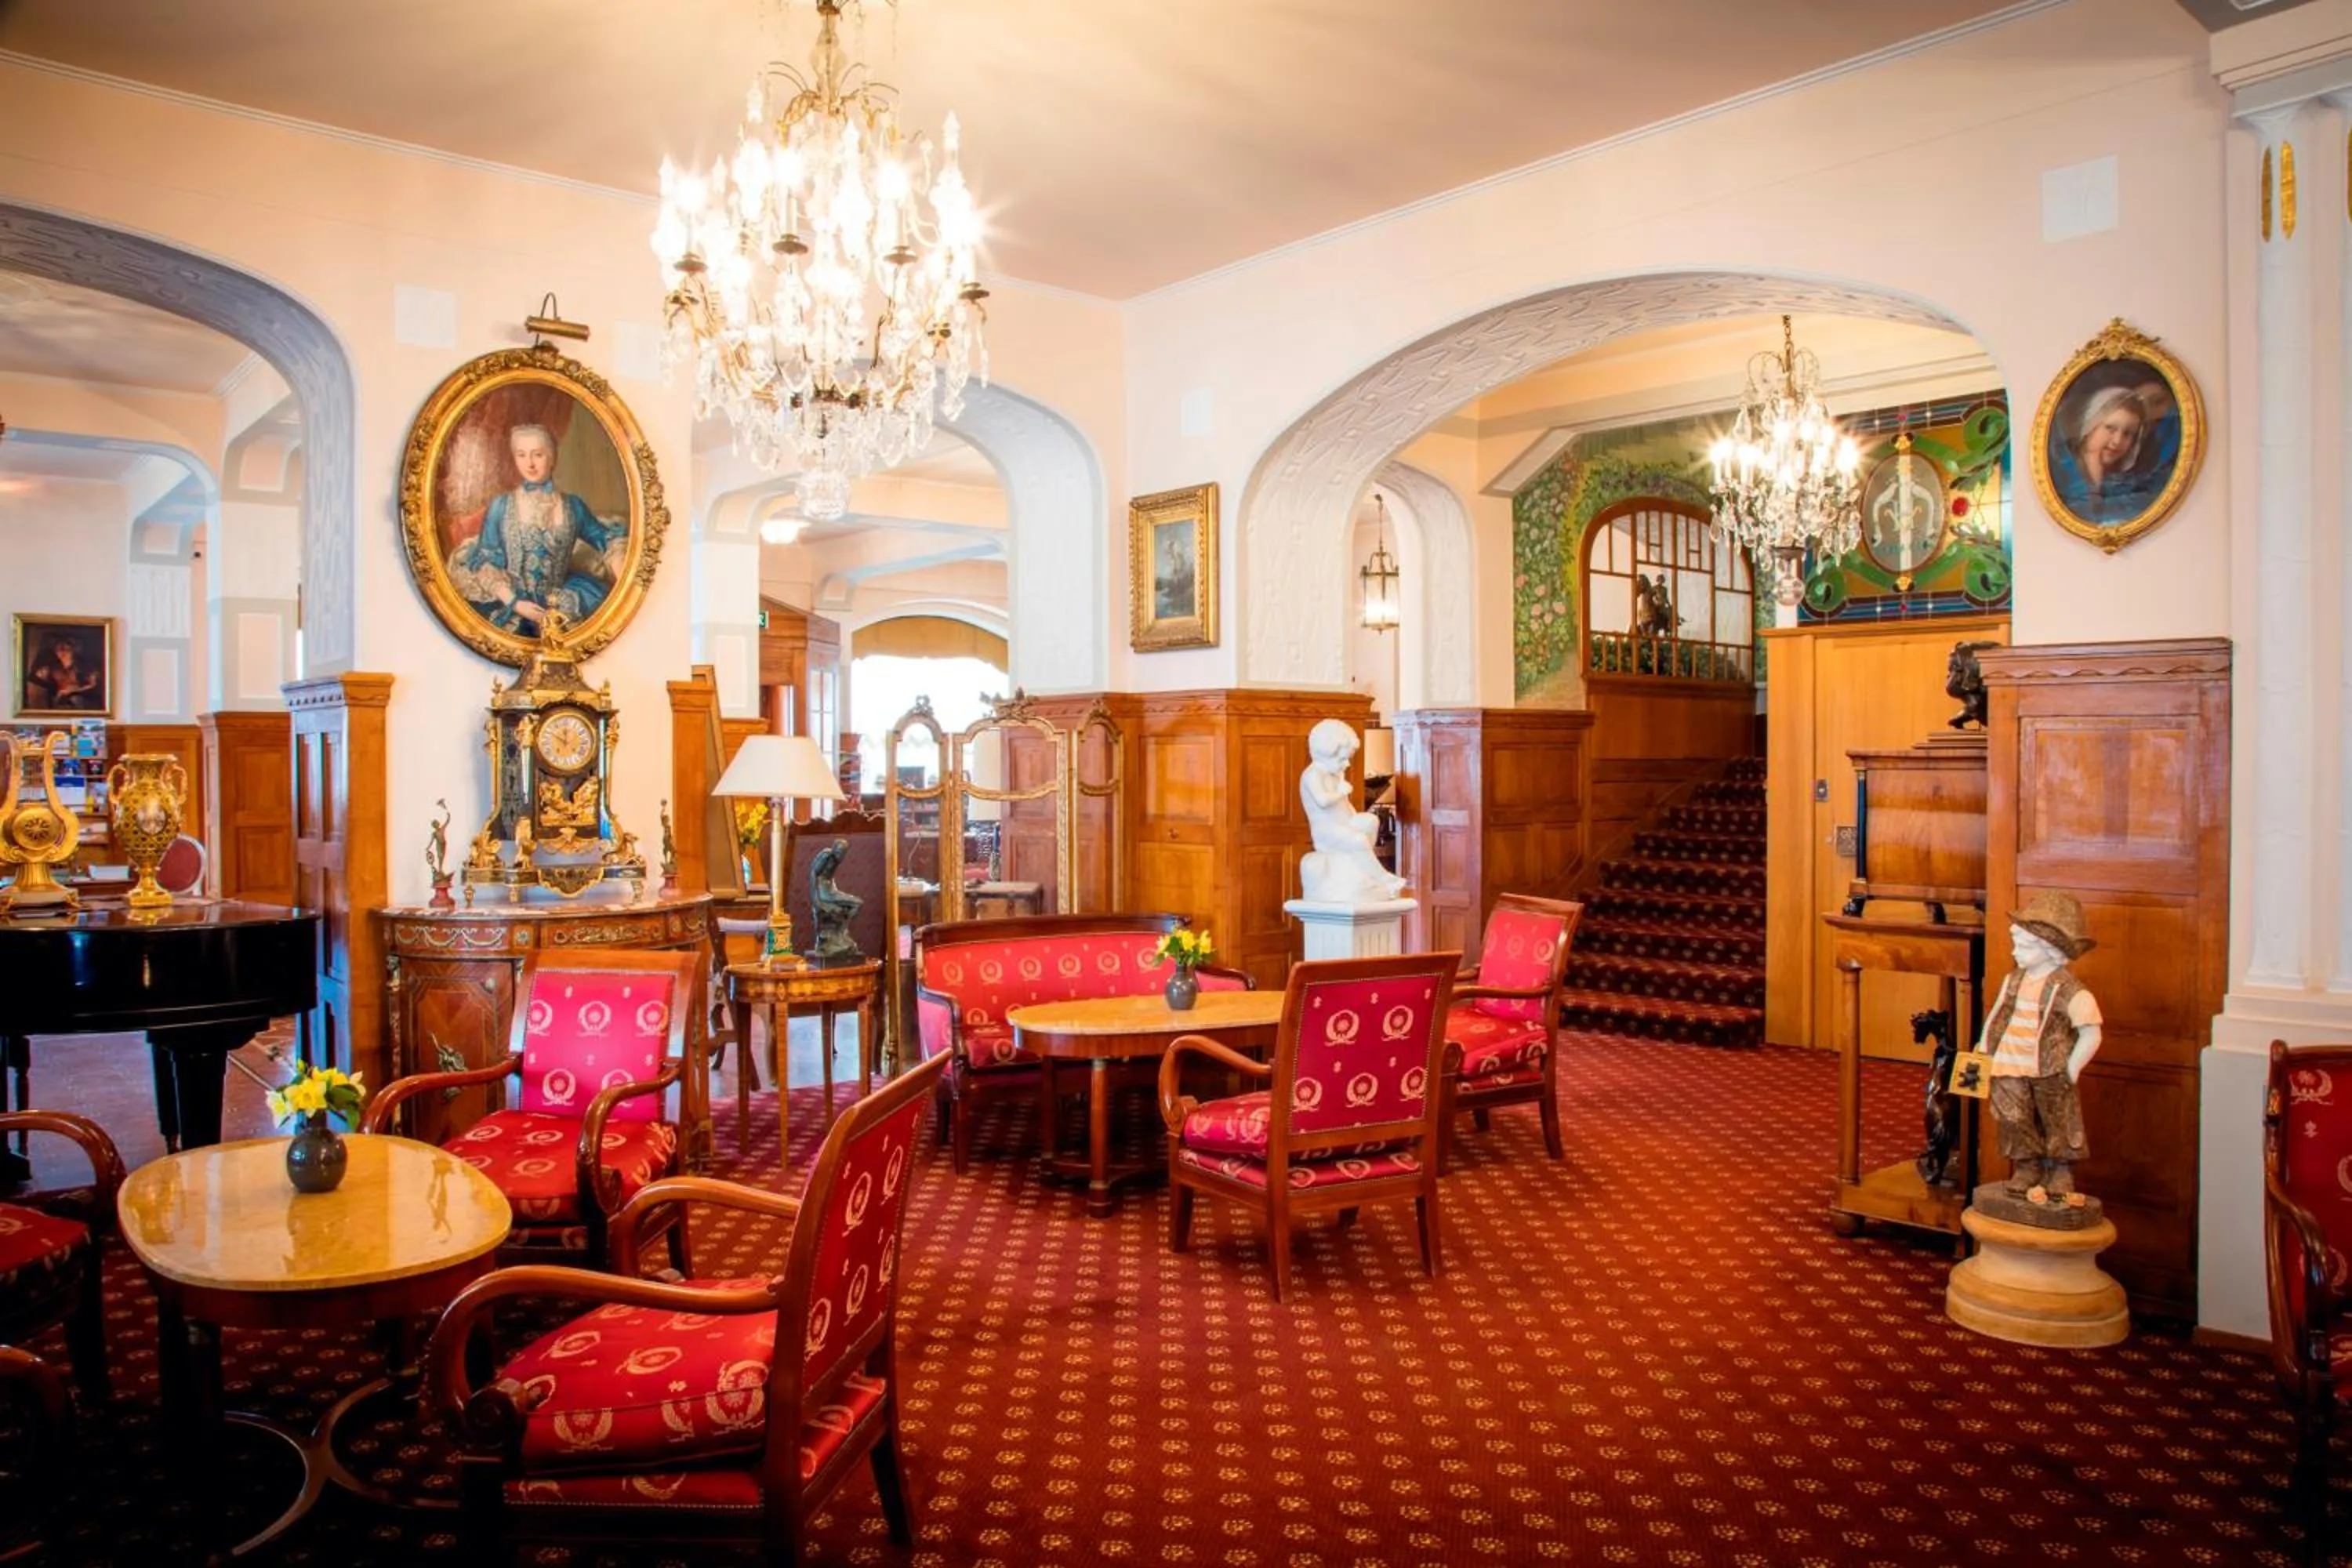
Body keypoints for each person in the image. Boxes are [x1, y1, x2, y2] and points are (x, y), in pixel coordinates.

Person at [1975, 891, 2103, 1207]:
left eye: (2023, 946)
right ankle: (2027, 1165)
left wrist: (2072, 1068)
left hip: (2049, 1066)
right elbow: (1998, 1014)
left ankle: (2059, 1170)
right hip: (2009, 1060)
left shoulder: (2069, 989)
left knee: (2057, 1118)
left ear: (2049, 949)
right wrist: (1984, 1047)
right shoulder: (2013, 980)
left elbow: (2091, 1032)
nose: (2015, 952)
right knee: (2013, 1115)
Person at [447, 423, 623, 634]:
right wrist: (515, 603)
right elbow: (486, 560)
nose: (529, 464)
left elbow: (607, 539)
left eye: (538, 455)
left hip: (559, 605)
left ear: (552, 458)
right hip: (512, 603)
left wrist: (623, 577)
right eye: (521, 455)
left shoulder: (573, 506)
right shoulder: (501, 506)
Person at [1296, 718, 1407, 906]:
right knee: (1358, 840)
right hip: (1327, 833)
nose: (1347, 764)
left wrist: (1355, 818)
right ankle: (1384, 878)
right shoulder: (1313, 775)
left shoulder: (1336, 774)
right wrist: (1340, 792)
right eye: (1342, 759)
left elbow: (1345, 806)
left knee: (1371, 821)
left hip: (1345, 824)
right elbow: (1322, 801)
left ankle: (1363, 870)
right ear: (1325, 753)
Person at [2049, 386, 2169, 525]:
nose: (2117, 441)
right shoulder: (2060, 474)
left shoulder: (2130, 485)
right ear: (2090, 426)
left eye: (2128, 433)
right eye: (2110, 428)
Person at [25, 634, 100, 710]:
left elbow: (94, 686)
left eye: (66, 649)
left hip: (81, 702)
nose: (62, 653)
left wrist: (71, 692)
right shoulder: (53, 667)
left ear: (74, 650)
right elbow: (33, 678)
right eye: (58, 649)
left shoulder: (84, 666)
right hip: (59, 703)